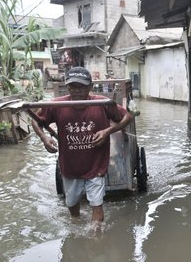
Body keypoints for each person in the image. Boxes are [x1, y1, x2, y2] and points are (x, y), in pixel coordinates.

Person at [32, 66, 133, 226]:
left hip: (96, 165)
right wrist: (45, 138)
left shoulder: (103, 103)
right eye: (73, 86)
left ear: (90, 87)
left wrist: (107, 131)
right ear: (67, 87)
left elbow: (128, 116)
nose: (77, 91)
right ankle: (76, 224)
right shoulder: (57, 105)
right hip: (70, 166)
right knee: (72, 206)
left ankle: (96, 241)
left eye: (82, 86)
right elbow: (36, 120)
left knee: (97, 205)